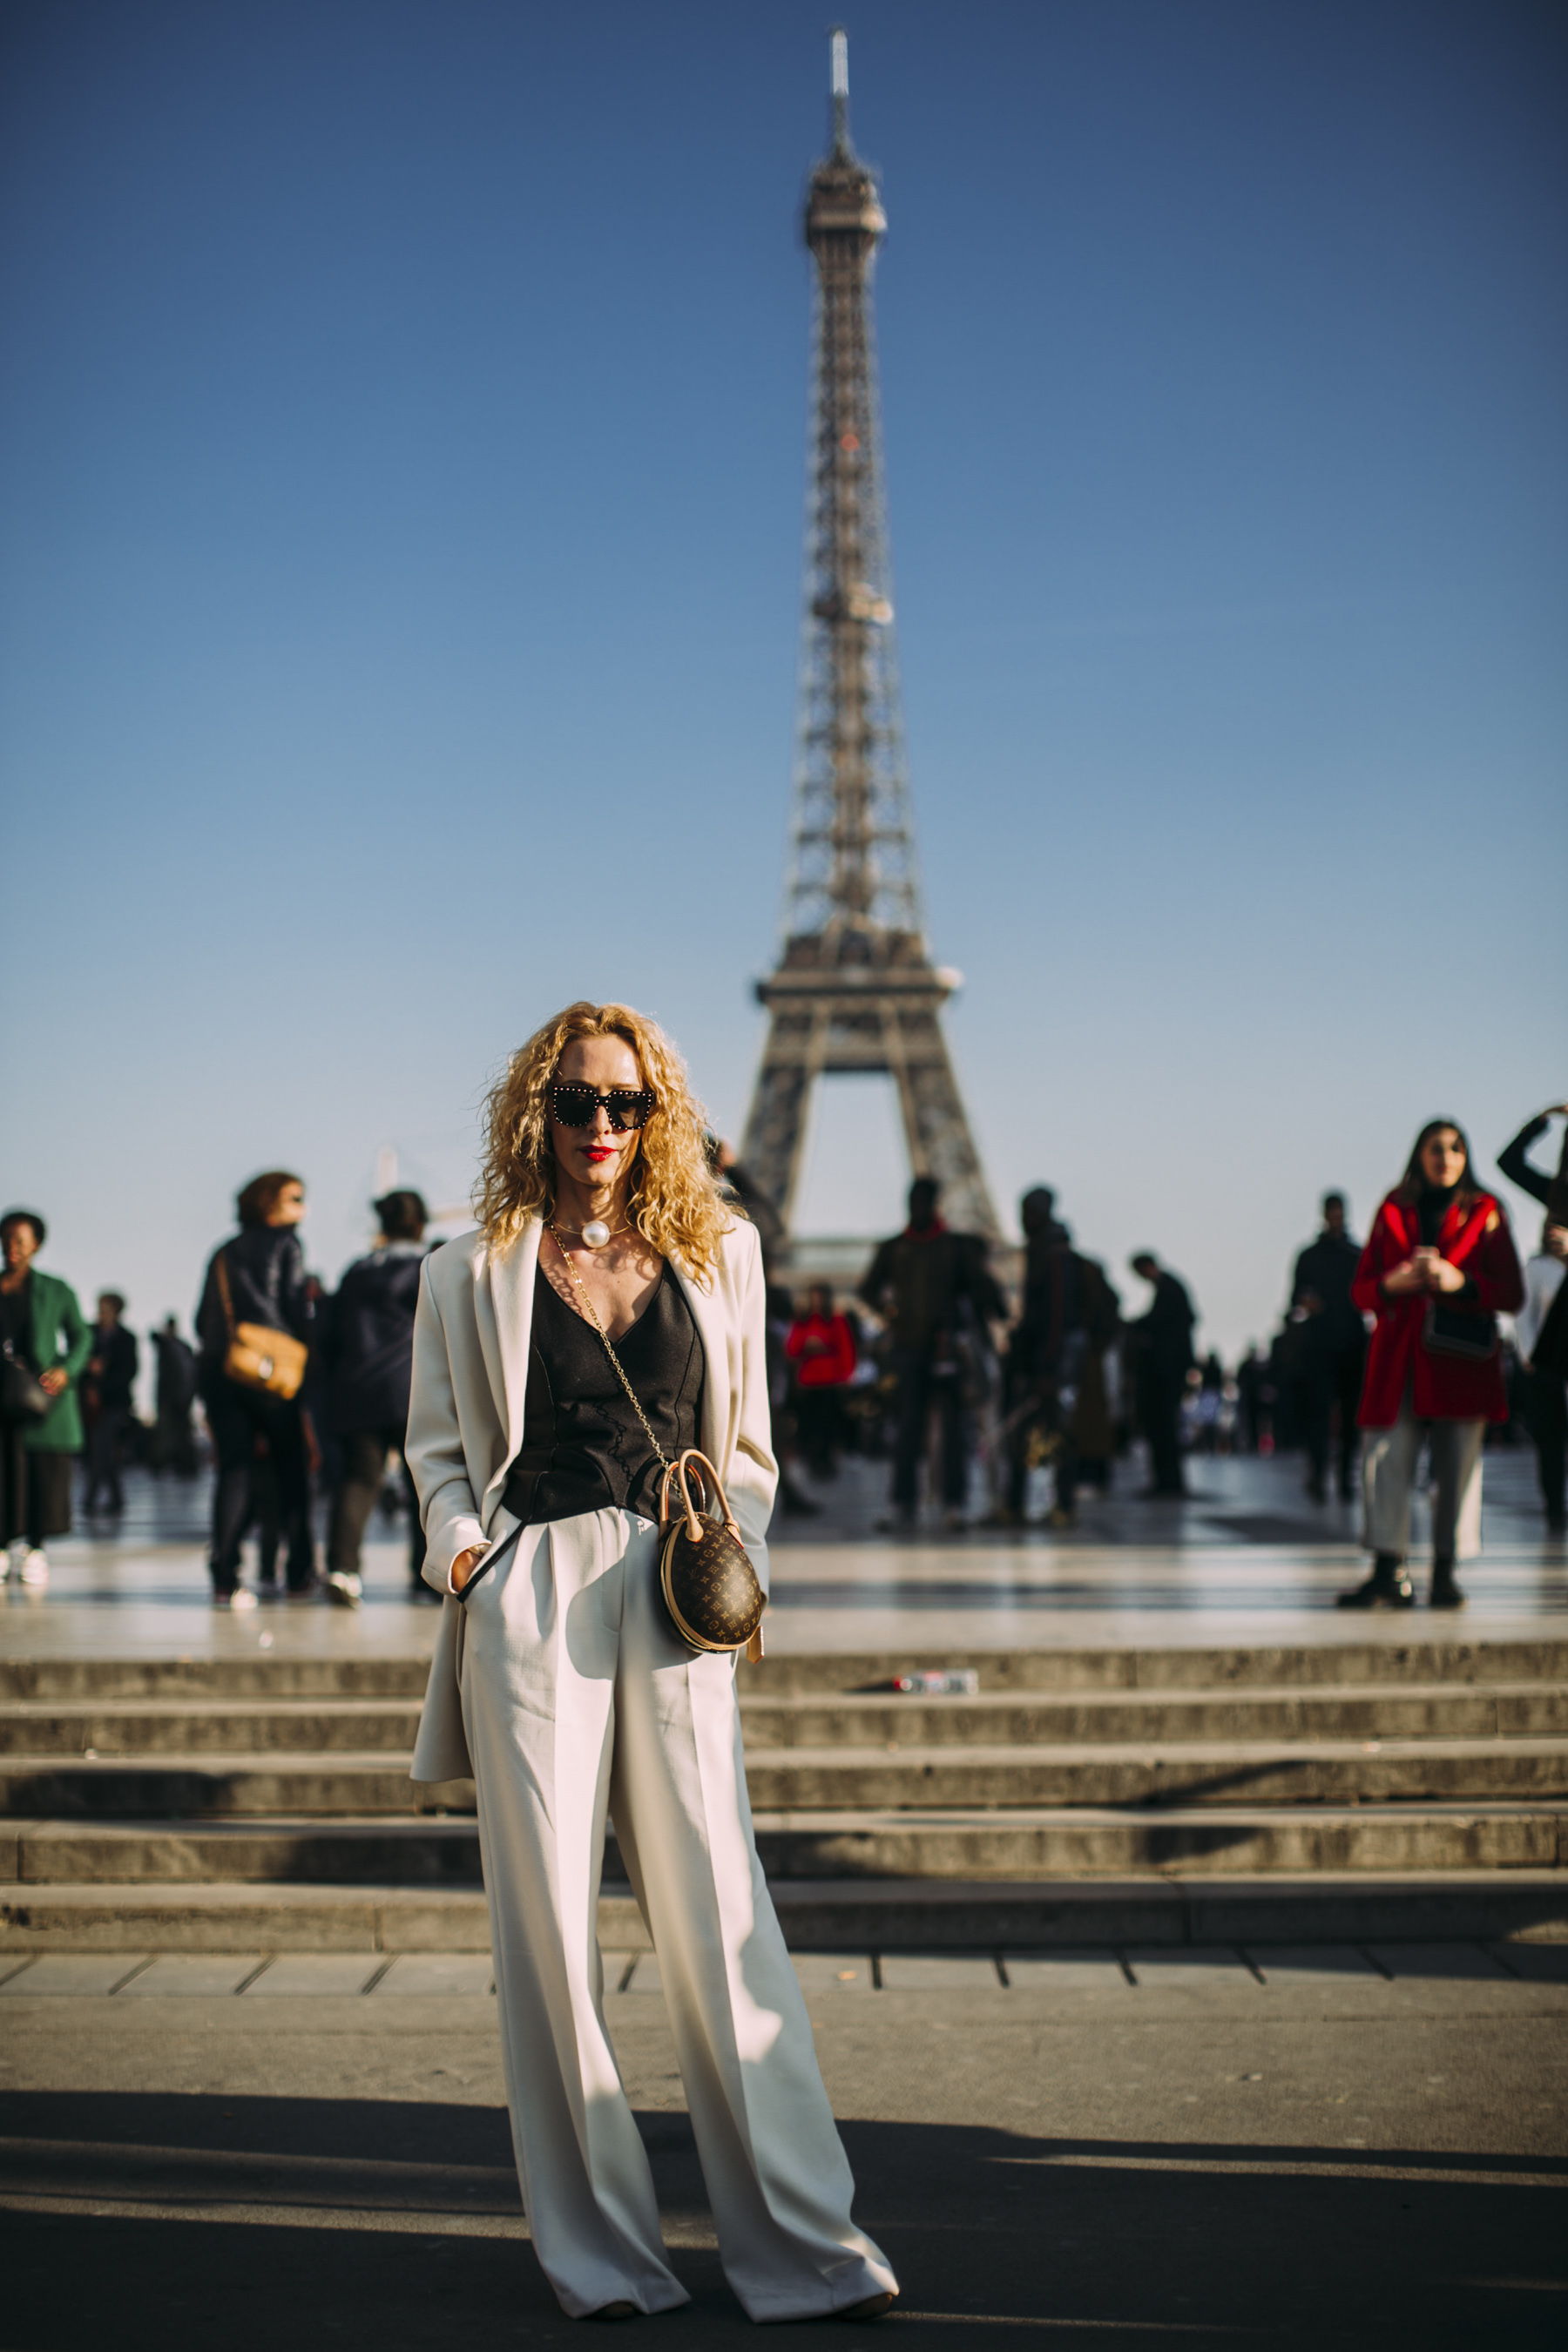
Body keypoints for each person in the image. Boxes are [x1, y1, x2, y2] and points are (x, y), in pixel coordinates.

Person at [404, 1000, 896, 2325]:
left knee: (723, 1920)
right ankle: (605, 2258)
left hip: (676, 1590)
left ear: (659, 1115)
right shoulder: (469, 1267)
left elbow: (750, 1452)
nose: (604, 1128)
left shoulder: (720, 1248)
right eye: (578, 1103)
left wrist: (743, 1561)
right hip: (535, 1591)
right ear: (538, 1112)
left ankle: (806, 2245)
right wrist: (466, 1553)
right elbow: (438, 1448)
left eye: (629, 1105)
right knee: (548, 1942)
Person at [1337, 1119, 1524, 1609]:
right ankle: (1387, 1569)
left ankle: (1446, 1571)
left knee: (1458, 1467)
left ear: (1467, 1157)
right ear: (1419, 1154)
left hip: (1460, 1358)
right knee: (1384, 1458)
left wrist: (1457, 1281)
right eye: (1436, 1148)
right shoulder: (1393, 1207)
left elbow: (1512, 1293)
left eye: (1456, 1149)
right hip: (1398, 1355)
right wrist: (1392, 1283)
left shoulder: (1487, 1212)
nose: (1446, 1157)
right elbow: (1360, 1289)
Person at [194, 1171, 315, 1608]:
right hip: (273, 1372)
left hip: (224, 1373)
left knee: (234, 1472)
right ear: (269, 1202)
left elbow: (201, 1320)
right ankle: (299, 1571)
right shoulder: (288, 1244)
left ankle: (225, 1575)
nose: (303, 1206)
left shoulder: (223, 1251)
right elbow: (293, 1306)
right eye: (295, 1198)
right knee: (291, 1473)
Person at [858, 1176, 1004, 1532]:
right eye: (913, 1201)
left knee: (953, 1431)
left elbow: (984, 1293)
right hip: (912, 1350)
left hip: (946, 1351)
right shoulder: (901, 1248)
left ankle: (952, 1503)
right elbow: (867, 1290)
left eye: (922, 1201)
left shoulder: (950, 1247)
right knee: (908, 1429)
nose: (917, 1208)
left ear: (934, 1205)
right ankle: (907, 1503)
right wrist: (891, 1315)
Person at [321, 1188, 430, 1605]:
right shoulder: (429, 1269)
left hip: (357, 1392)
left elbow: (329, 1334)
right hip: (412, 1391)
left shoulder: (356, 1272)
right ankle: (425, 1577)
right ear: (421, 1224)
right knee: (422, 1483)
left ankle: (342, 1569)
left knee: (359, 1480)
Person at [996, 1193, 1118, 1528]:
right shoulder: (1047, 1251)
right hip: (1052, 1354)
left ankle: (1049, 1503)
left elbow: (1057, 1315)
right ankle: (1045, 1503)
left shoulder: (1051, 1256)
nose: (1022, 1219)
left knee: (1044, 1430)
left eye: (1027, 1212)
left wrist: (1048, 1367)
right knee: (1045, 1430)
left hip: (1052, 1357)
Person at [1, 1210, 91, 1587]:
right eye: (7, 1240)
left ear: (36, 1245)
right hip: (1, 1396)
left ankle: (36, 1549)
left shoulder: (55, 1289)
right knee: (5, 1474)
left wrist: (66, 1369)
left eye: (20, 1241)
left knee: (42, 1475)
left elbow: (82, 1336)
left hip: (40, 1397)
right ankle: (4, 1547)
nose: (12, 1248)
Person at [1498, 1105, 1568, 1534]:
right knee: (1551, 1438)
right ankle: (1554, 1508)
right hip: (1551, 1352)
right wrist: (1543, 1120)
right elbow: (1509, 1162)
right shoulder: (1555, 1196)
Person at [1289, 1193, 1368, 1503]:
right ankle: (1318, 1473)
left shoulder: (1355, 1254)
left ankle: (1346, 1475)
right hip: (1319, 1345)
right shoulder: (1309, 1256)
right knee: (1318, 1414)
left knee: (1350, 1416)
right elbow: (1294, 1296)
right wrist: (1305, 1302)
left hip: (1350, 1343)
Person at [1126, 1253, 1197, 1497]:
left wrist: (1139, 1326)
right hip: (1167, 1368)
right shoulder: (1168, 1287)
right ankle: (1166, 1480)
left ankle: (1168, 1481)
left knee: (1163, 1424)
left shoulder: (1169, 1287)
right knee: (1163, 1425)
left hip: (1165, 1370)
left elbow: (1166, 1322)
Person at [785, 1283, 858, 1477]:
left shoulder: (836, 1320)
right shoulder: (803, 1320)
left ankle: (827, 1461)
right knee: (810, 1424)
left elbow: (846, 1348)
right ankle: (813, 1461)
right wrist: (806, 1343)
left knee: (829, 1424)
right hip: (809, 1380)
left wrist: (847, 1374)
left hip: (830, 1379)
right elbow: (791, 1348)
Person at [82, 1293, 139, 1515]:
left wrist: (104, 1385)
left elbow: (130, 1371)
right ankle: (113, 1497)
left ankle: (93, 1497)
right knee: (100, 1449)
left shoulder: (126, 1338)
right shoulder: (90, 1332)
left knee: (103, 1448)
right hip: (89, 1403)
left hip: (114, 1403)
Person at [149, 1317, 198, 1476]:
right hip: (176, 1397)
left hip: (176, 1397)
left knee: (176, 1433)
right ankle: (174, 1464)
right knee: (172, 1432)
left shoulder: (177, 1346)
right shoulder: (177, 1346)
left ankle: (182, 1465)